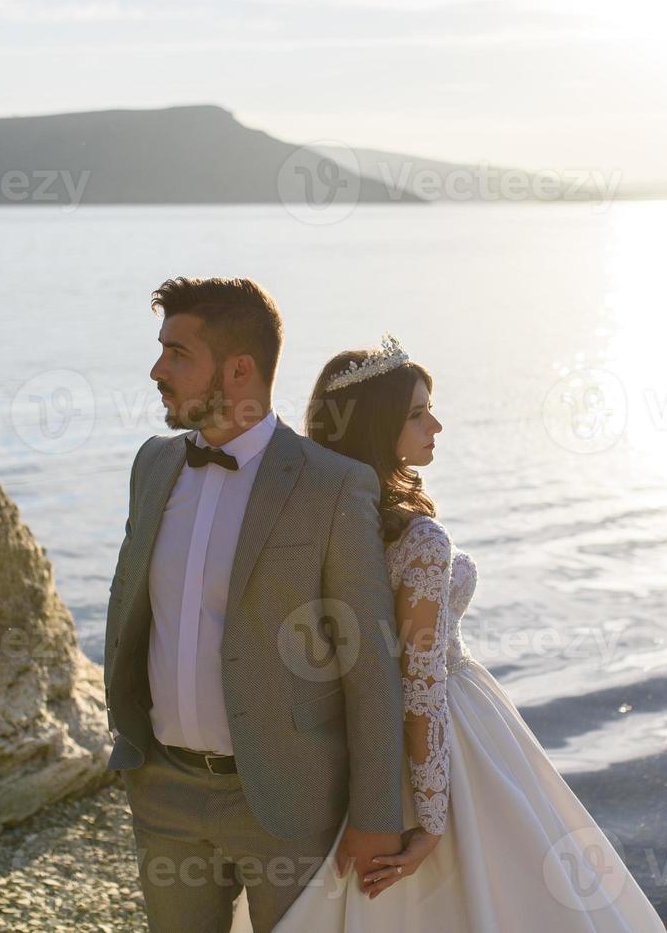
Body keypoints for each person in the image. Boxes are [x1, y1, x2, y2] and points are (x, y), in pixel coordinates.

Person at [229, 333, 667, 932]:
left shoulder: (314, 521)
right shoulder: (421, 542)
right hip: (450, 731)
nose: (436, 425)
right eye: (416, 413)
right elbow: (420, 681)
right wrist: (433, 817)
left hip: (347, 733)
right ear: (378, 425)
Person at [103, 278, 409, 932]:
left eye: (177, 353)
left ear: (239, 368)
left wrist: (377, 816)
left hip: (286, 802)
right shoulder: (151, 466)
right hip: (162, 790)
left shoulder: (331, 486)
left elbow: (371, 666)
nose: (157, 370)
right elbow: (129, 602)